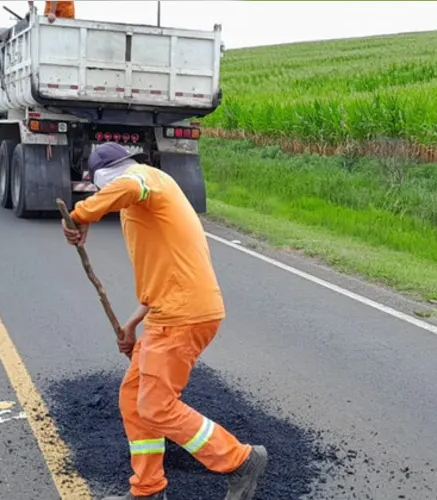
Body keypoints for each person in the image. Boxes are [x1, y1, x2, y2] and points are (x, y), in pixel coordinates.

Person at [61, 143, 268, 500]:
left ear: (104, 179)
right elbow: (166, 276)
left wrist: (81, 215)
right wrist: (131, 325)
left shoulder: (144, 178)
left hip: (182, 316)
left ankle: (240, 460)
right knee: (133, 397)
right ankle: (148, 489)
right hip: (170, 311)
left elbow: (128, 185)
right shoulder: (148, 205)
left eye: (101, 189)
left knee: (156, 406)